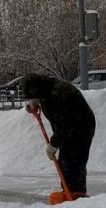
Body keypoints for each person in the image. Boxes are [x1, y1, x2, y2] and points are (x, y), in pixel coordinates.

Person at [21, 74, 95, 203]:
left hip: (81, 127)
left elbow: (65, 124)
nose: (35, 99)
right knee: (65, 163)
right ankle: (70, 193)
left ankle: (76, 196)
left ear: (38, 89)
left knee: (73, 162)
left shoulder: (59, 94)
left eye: (34, 96)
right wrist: (35, 102)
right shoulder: (46, 90)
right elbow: (61, 124)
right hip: (68, 127)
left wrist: (54, 144)